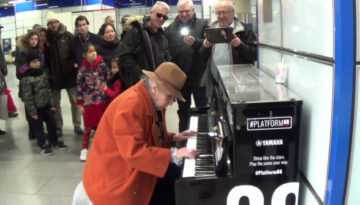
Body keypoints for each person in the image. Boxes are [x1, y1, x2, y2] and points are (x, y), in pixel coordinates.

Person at [72, 62, 198, 205]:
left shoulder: (151, 99)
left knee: (178, 181)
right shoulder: (130, 105)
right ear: (155, 87)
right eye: (170, 96)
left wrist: (173, 138)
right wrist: (174, 154)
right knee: (174, 187)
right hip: (115, 179)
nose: (171, 103)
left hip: (133, 167)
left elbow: (149, 134)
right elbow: (134, 151)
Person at [165, 0, 209, 132]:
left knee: (203, 109)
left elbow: (209, 45)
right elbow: (167, 52)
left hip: (200, 77)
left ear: (193, 10)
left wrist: (196, 42)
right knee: (183, 111)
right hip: (180, 79)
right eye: (181, 11)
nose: (184, 14)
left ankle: (204, 136)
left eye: (187, 11)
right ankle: (183, 139)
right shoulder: (170, 29)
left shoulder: (203, 24)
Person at [20, 51, 68, 155]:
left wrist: (51, 104)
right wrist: (32, 112)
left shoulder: (42, 73)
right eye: (34, 62)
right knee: (39, 128)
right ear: (29, 64)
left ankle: (54, 142)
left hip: (46, 106)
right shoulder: (26, 78)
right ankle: (42, 145)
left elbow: (48, 89)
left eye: (38, 61)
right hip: (36, 109)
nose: (37, 63)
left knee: (52, 124)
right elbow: (27, 97)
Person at [118, 1, 171, 90]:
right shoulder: (136, 31)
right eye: (158, 15)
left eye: (164, 17)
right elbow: (124, 56)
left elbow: (166, 57)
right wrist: (141, 74)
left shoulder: (162, 36)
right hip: (139, 85)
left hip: (157, 85)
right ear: (151, 13)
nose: (161, 18)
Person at [46, 11, 83, 136]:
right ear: (48, 24)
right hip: (54, 76)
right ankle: (58, 126)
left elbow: (76, 52)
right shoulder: (46, 38)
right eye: (51, 23)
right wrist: (48, 73)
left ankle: (77, 125)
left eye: (56, 22)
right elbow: (44, 57)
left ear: (59, 22)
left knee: (75, 101)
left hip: (69, 75)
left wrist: (75, 67)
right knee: (56, 104)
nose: (54, 25)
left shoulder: (68, 36)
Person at [76, 43, 108, 161]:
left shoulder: (103, 65)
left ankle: (103, 148)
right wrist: (80, 104)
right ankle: (84, 149)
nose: (93, 53)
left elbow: (106, 79)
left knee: (102, 126)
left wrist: (107, 92)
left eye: (94, 51)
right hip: (88, 102)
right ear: (85, 54)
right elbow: (79, 87)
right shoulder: (82, 70)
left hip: (101, 100)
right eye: (90, 51)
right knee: (88, 127)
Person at [16, 30, 45, 140]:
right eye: (32, 39)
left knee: (39, 110)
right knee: (29, 110)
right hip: (27, 86)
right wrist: (32, 69)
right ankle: (32, 132)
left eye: (36, 39)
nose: (34, 41)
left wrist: (32, 68)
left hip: (39, 86)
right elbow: (20, 72)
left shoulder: (40, 51)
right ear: (28, 40)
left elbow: (41, 67)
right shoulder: (22, 52)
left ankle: (39, 131)